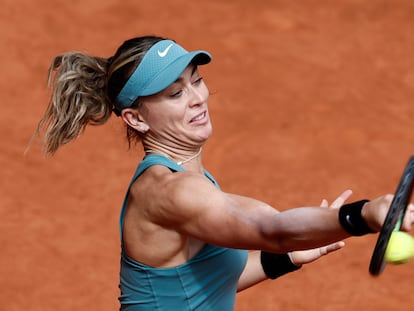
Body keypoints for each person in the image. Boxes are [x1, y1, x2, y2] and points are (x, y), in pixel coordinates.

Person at [32, 35, 414, 310]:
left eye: (195, 80)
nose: (198, 97)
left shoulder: (188, 179)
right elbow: (272, 229)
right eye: (174, 93)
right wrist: (362, 214)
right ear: (136, 118)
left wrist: (291, 257)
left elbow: (206, 282)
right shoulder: (170, 193)